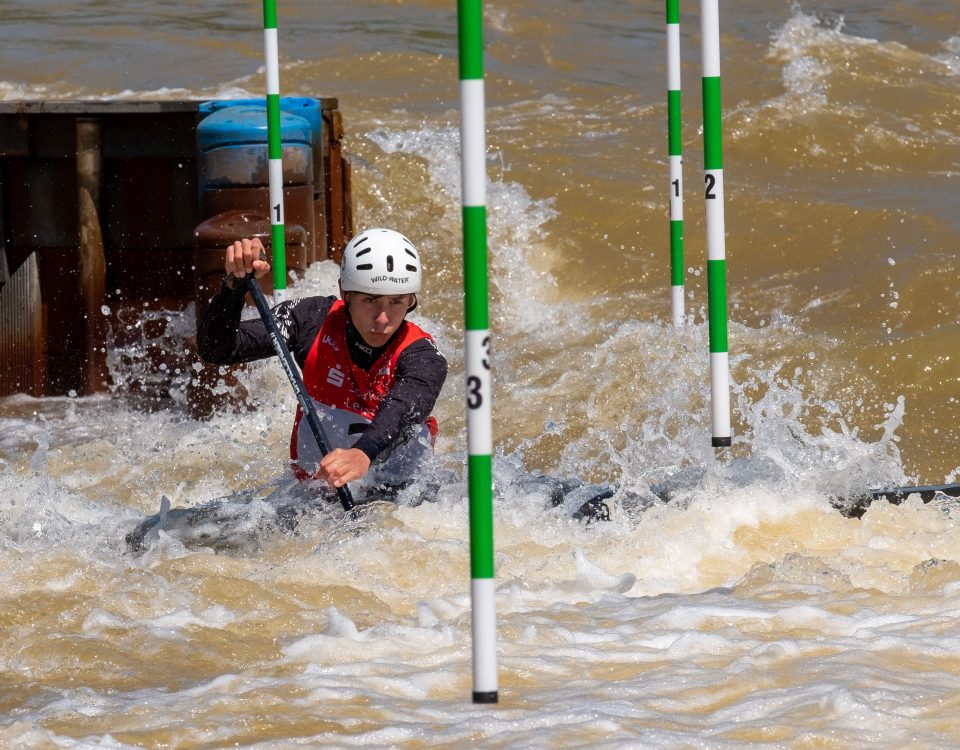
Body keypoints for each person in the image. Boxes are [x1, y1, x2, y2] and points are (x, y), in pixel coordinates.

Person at [197, 228, 448, 494]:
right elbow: (218, 350)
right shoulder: (311, 320)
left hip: (402, 495)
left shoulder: (424, 357)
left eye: (396, 302)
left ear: (411, 300)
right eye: (370, 300)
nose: (383, 319)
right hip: (315, 497)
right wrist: (233, 287)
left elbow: (403, 408)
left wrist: (363, 453)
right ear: (345, 293)